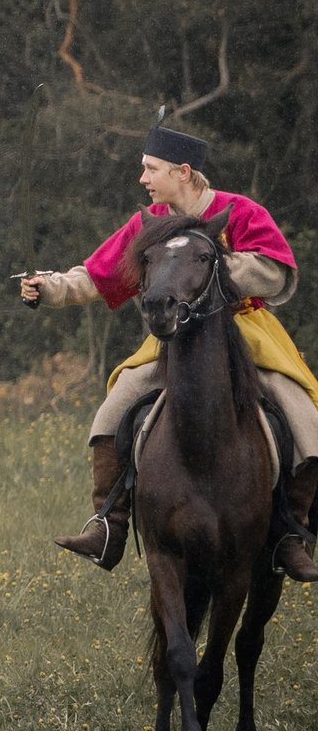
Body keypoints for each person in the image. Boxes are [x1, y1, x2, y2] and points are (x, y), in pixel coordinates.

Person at [18, 119, 318, 580]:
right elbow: (101, 274)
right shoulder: (149, 222)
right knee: (114, 408)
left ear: (182, 171)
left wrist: (201, 264)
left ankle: (289, 533)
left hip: (245, 332)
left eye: (150, 169)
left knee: (305, 416)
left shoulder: (240, 211)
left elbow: (276, 272)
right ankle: (109, 523)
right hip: (173, 338)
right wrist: (49, 288)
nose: (143, 179)